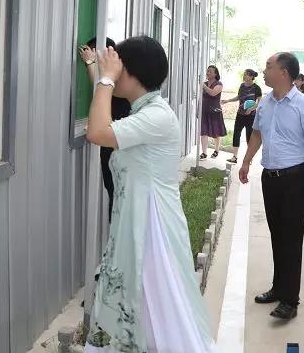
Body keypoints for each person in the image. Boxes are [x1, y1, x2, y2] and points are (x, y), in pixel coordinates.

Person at [84, 36, 215, 353]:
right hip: (136, 221)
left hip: (152, 227)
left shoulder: (157, 115)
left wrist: (104, 79)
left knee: (158, 306)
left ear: (131, 72)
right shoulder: (143, 112)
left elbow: (97, 132)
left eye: (118, 67)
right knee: (137, 304)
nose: (113, 73)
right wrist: (102, 76)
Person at [239, 52, 304, 320]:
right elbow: (257, 133)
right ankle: (278, 288)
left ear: (283, 73)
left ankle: (290, 300)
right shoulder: (265, 103)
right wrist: (246, 161)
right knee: (277, 235)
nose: (264, 71)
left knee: (291, 238)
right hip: (270, 177)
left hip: (295, 178)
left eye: (268, 67)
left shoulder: (303, 105)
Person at [79, 37, 131, 223]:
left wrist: (90, 63)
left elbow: (102, 87)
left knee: (118, 193)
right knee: (113, 191)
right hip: (113, 141)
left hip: (117, 140)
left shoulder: (120, 75)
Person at [221, 69, 263, 164]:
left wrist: (251, 109)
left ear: (251, 77)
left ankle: (249, 158)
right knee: (236, 134)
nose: (244, 76)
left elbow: (260, 102)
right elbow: (238, 97)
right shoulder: (242, 86)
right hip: (240, 114)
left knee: (249, 137)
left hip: (251, 116)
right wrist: (228, 101)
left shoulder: (256, 88)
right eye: (244, 74)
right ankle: (234, 157)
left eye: (246, 74)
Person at [200, 65, 227, 159]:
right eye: (207, 71)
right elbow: (201, 97)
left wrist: (203, 86)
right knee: (203, 132)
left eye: (210, 71)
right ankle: (204, 153)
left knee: (216, 132)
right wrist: (198, 110)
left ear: (215, 74)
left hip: (215, 111)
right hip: (204, 110)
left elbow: (212, 93)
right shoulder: (204, 83)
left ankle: (216, 150)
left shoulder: (219, 84)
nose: (208, 73)